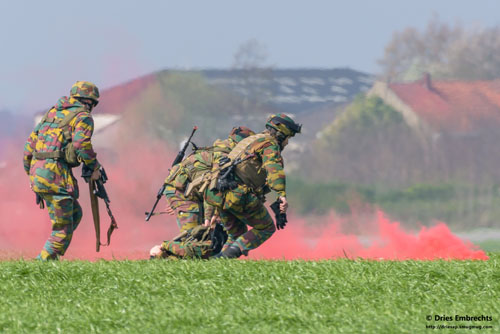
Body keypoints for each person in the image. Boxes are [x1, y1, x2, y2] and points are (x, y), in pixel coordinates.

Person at [23, 81, 102, 260]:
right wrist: (94, 166)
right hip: (56, 177)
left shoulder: (51, 114)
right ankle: (42, 265)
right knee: (63, 228)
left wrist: (32, 176)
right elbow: (82, 144)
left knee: (75, 213)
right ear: (90, 102)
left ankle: (52, 252)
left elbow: (28, 148)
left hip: (38, 174)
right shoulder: (83, 116)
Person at [149, 126, 255, 259]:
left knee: (204, 238)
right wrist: (209, 217)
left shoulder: (222, 151)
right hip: (184, 193)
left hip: (188, 193)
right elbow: (212, 187)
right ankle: (160, 252)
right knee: (195, 238)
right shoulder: (225, 157)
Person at [212, 113, 301, 259]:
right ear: (281, 134)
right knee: (266, 228)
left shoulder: (251, 141)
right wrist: (282, 196)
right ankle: (223, 258)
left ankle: (218, 262)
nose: (286, 143)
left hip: (218, 194)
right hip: (236, 194)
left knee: (237, 234)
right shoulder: (269, 144)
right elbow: (274, 169)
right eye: (287, 138)